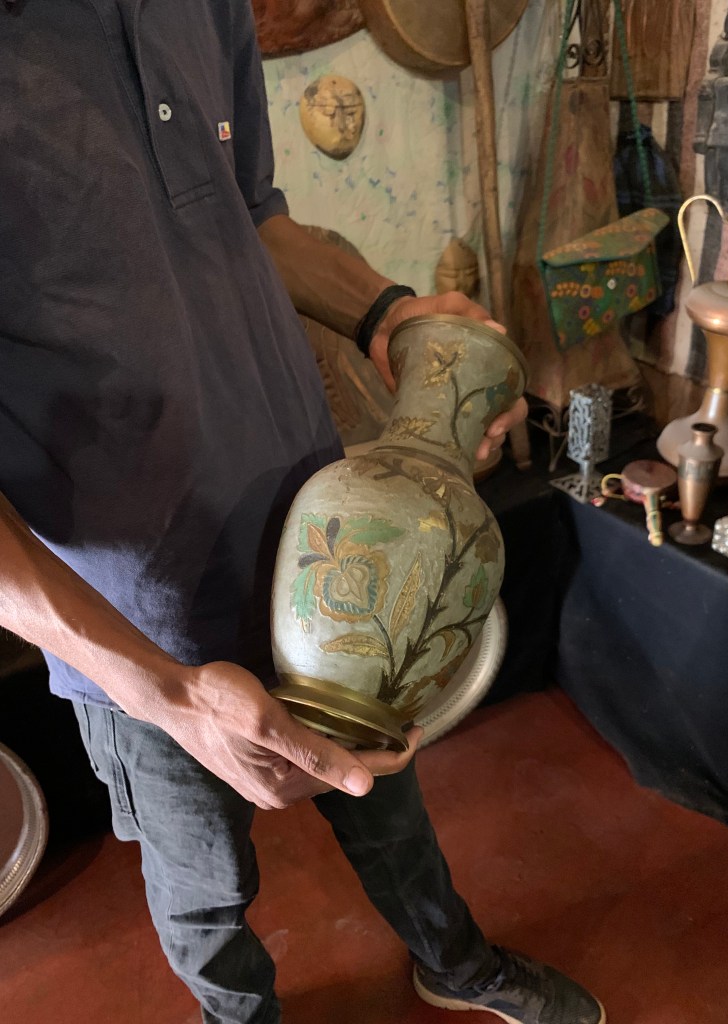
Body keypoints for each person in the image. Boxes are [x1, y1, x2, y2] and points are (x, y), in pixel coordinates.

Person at [0, 3, 604, 1023]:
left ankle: (454, 963)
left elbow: (252, 216)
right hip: (138, 617)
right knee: (204, 888)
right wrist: (172, 697)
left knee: (391, 813)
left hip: (329, 545)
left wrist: (390, 313)